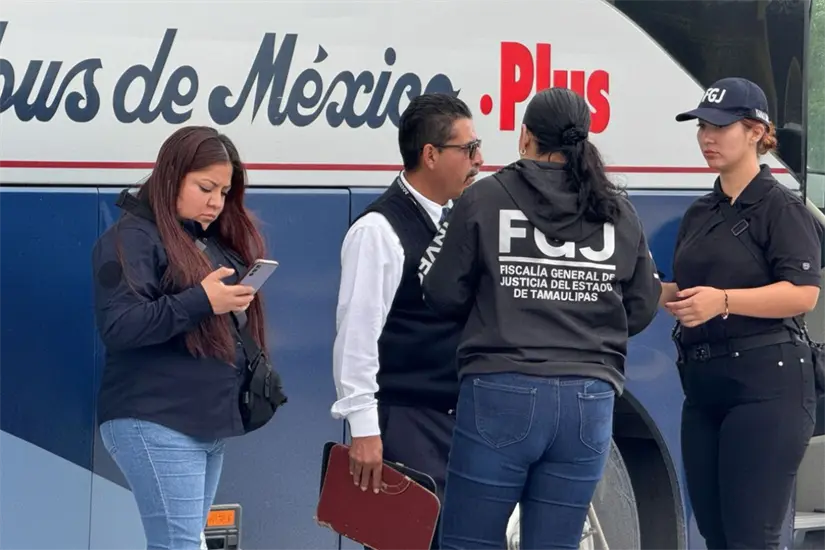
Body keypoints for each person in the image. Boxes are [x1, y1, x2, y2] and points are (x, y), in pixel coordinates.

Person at [419, 87, 662, 549]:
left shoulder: (485, 198)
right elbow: (642, 306)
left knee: (469, 542)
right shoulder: (616, 209)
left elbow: (442, 293)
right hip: (588, 400)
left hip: (501, 392)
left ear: (525, 136)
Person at [663, 77, 822, 549]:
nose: (706, 138)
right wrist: (647, 290)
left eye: (719, 127)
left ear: (755, 132)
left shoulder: (782, 208)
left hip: (767, 385)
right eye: (701, 127)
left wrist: (724, 301)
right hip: (703, 386)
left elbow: (803, 294)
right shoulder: (699, 212)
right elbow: (689, 291)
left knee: (752, 536)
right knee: (714, 534)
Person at [92, 126, 269, 550]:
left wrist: (230, 305)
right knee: (179, 545)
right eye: (205, 188)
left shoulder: (197, 238)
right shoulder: (130, 239)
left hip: (200, 422)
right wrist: (203, 300)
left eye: (223, 192)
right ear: (171, 177)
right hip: (156, 418)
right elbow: (120, 325)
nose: (216, 202)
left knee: (185, 543)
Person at [330, 93, 483, 548]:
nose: (479, 160)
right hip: (407, 419)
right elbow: (357, 335)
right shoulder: (378, 231)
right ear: (430, 155)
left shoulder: (458, 219)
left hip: (456, 418)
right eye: (468, 149)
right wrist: (364, 430)